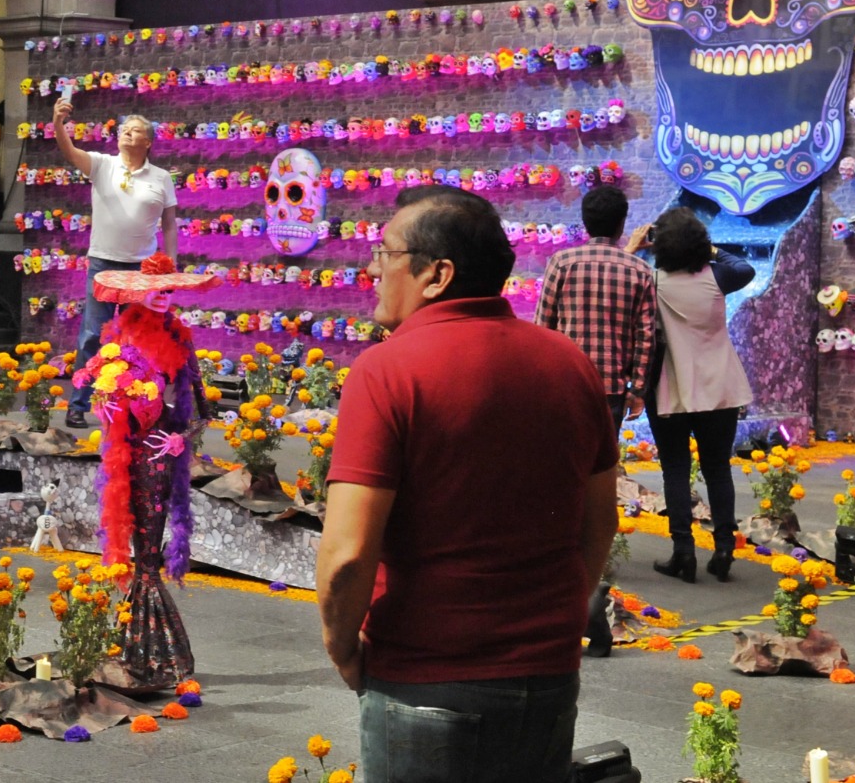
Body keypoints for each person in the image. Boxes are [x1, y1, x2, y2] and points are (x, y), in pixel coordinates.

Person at [317, 187, 619, 783]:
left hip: (426, 680)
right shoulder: (568, 363)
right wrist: (547, 623)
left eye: (387, 252)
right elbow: (599, 523)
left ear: (436, 274)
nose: (374, 268)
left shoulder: (387, 371)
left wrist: (343, 647)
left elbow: (348, 553)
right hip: (548, 679)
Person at [73, 252, 218, 688]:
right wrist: (106, 403)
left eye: (169, 291)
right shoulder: (117, 338)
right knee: (131, 547)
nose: (163, 298)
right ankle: (135, 647)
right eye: (156, 290)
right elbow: (101, 395)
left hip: (158, 455)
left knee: (149, 556)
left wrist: (182, 440)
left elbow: (201, 408)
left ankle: (160, 653)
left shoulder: (180, 339)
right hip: (125, 452)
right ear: (138, 293)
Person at [626, 207, 755, 583]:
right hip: (719, 387)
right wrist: (707, 249)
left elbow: (619, 272)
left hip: (670, 387)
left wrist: (635, 247)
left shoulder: (651, 280)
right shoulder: (718, 275)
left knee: (676, 469)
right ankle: (724, 547)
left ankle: (683, 551)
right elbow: (744, 267)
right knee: (717, 468)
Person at [52, 99, 177, 430]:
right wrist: (57, 123)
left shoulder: (162, 178)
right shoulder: (102, 165)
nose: (126, 133)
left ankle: (141, 406)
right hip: (104, 264)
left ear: (147, 141)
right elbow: (69, 151)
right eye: (124, 129)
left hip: (143, 268)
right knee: (93, 335)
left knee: (141, 339)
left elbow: (169, 224)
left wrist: (171, 265)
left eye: (135, 130)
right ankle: (78, 404)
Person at [535, 185, 656, 425]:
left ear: (585, 222)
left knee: (567, 458)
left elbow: (542, 329)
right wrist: (637, 390)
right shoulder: (640, 270)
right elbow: (645, 337)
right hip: (613, 388)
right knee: (605, 460)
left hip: (567, 384)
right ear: (622, 223)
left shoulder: (562, 262)